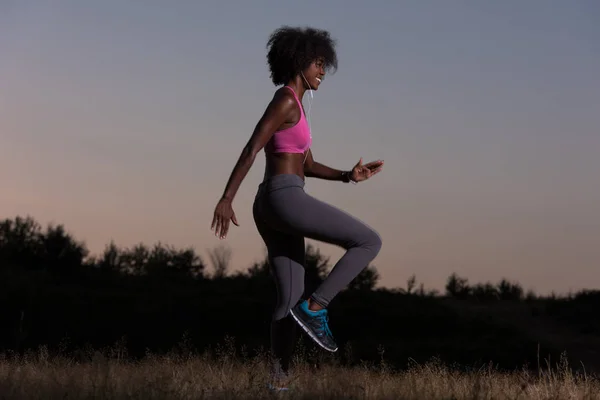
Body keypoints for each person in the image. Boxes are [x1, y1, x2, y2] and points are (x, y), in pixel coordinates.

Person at [211, 26, 383, 388]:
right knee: (368, 241)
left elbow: (305, 163)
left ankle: (279, 381)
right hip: (284, 197)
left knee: (287, 297)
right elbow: (251, 148)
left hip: (274, 201)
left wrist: (347, 176)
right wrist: (227, 197)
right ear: (300, 61)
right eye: (319, 64)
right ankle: (317, 307)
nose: (323, 71)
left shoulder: (298, 106)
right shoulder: (285, 99)